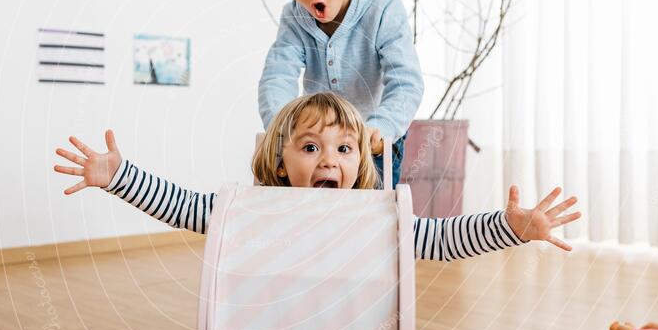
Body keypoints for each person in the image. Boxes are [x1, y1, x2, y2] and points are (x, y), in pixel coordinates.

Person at [54, 93, 580, 260]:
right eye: (311, 146)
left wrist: (512, 227)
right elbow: (185, 206)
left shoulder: (377, 214)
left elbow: (440, 240)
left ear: (360, 162)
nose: (329, 158)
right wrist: (120, 176)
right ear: (281, 163)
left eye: (344, 147)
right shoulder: (256, 207)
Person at [258, 0, 424, 187]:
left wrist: (381, 127)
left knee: (375, 217)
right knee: (315, 211)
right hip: (319, 141)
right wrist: (281, 129)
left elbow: (407, 81)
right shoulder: (294, 18)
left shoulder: (382, 8)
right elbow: (277, 76)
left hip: (373, 138)